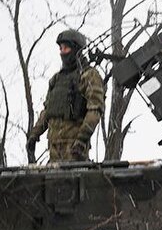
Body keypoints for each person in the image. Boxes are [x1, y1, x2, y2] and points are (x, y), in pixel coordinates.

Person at [27, 29, 106, 163]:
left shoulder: (89, 75)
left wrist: (82, 139)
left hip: (75, 148)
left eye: (66, 48)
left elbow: (95, 109)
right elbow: (48, 111)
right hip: (54, 149)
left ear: (76, 49)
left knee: (73, 181)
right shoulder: (56, 79)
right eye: (61, 48)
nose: (62, 52)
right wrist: (34, 134)